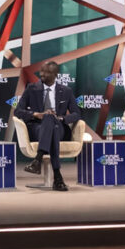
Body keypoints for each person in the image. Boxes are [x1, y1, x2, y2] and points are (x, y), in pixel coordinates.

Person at [15, 61, 81, 191]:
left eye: (47, 72)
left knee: (51, 120)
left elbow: (76, 113)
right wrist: (36, 114)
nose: (42, 74)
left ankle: (38, 159)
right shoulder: (31, 89)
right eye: (42, 71)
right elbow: (18, 111)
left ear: (56, 74)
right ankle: (58, 177)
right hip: (37, 128)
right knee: (49, 120)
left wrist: (61, 118)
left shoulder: (66, 91)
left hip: (59, 126)